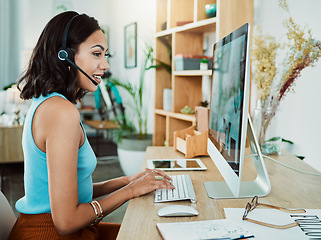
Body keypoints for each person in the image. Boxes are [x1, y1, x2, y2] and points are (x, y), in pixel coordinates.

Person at [8, 11, 174, 240]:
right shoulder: (60, 112)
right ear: (64, 55)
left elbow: (73, 191)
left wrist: (128, 180)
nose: (105, 65)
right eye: (97, 54)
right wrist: (130, 191)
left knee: (151, 232)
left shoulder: (50, 104)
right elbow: (66, 222)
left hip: (62, 228)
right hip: (49, 233)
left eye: (106, 55)